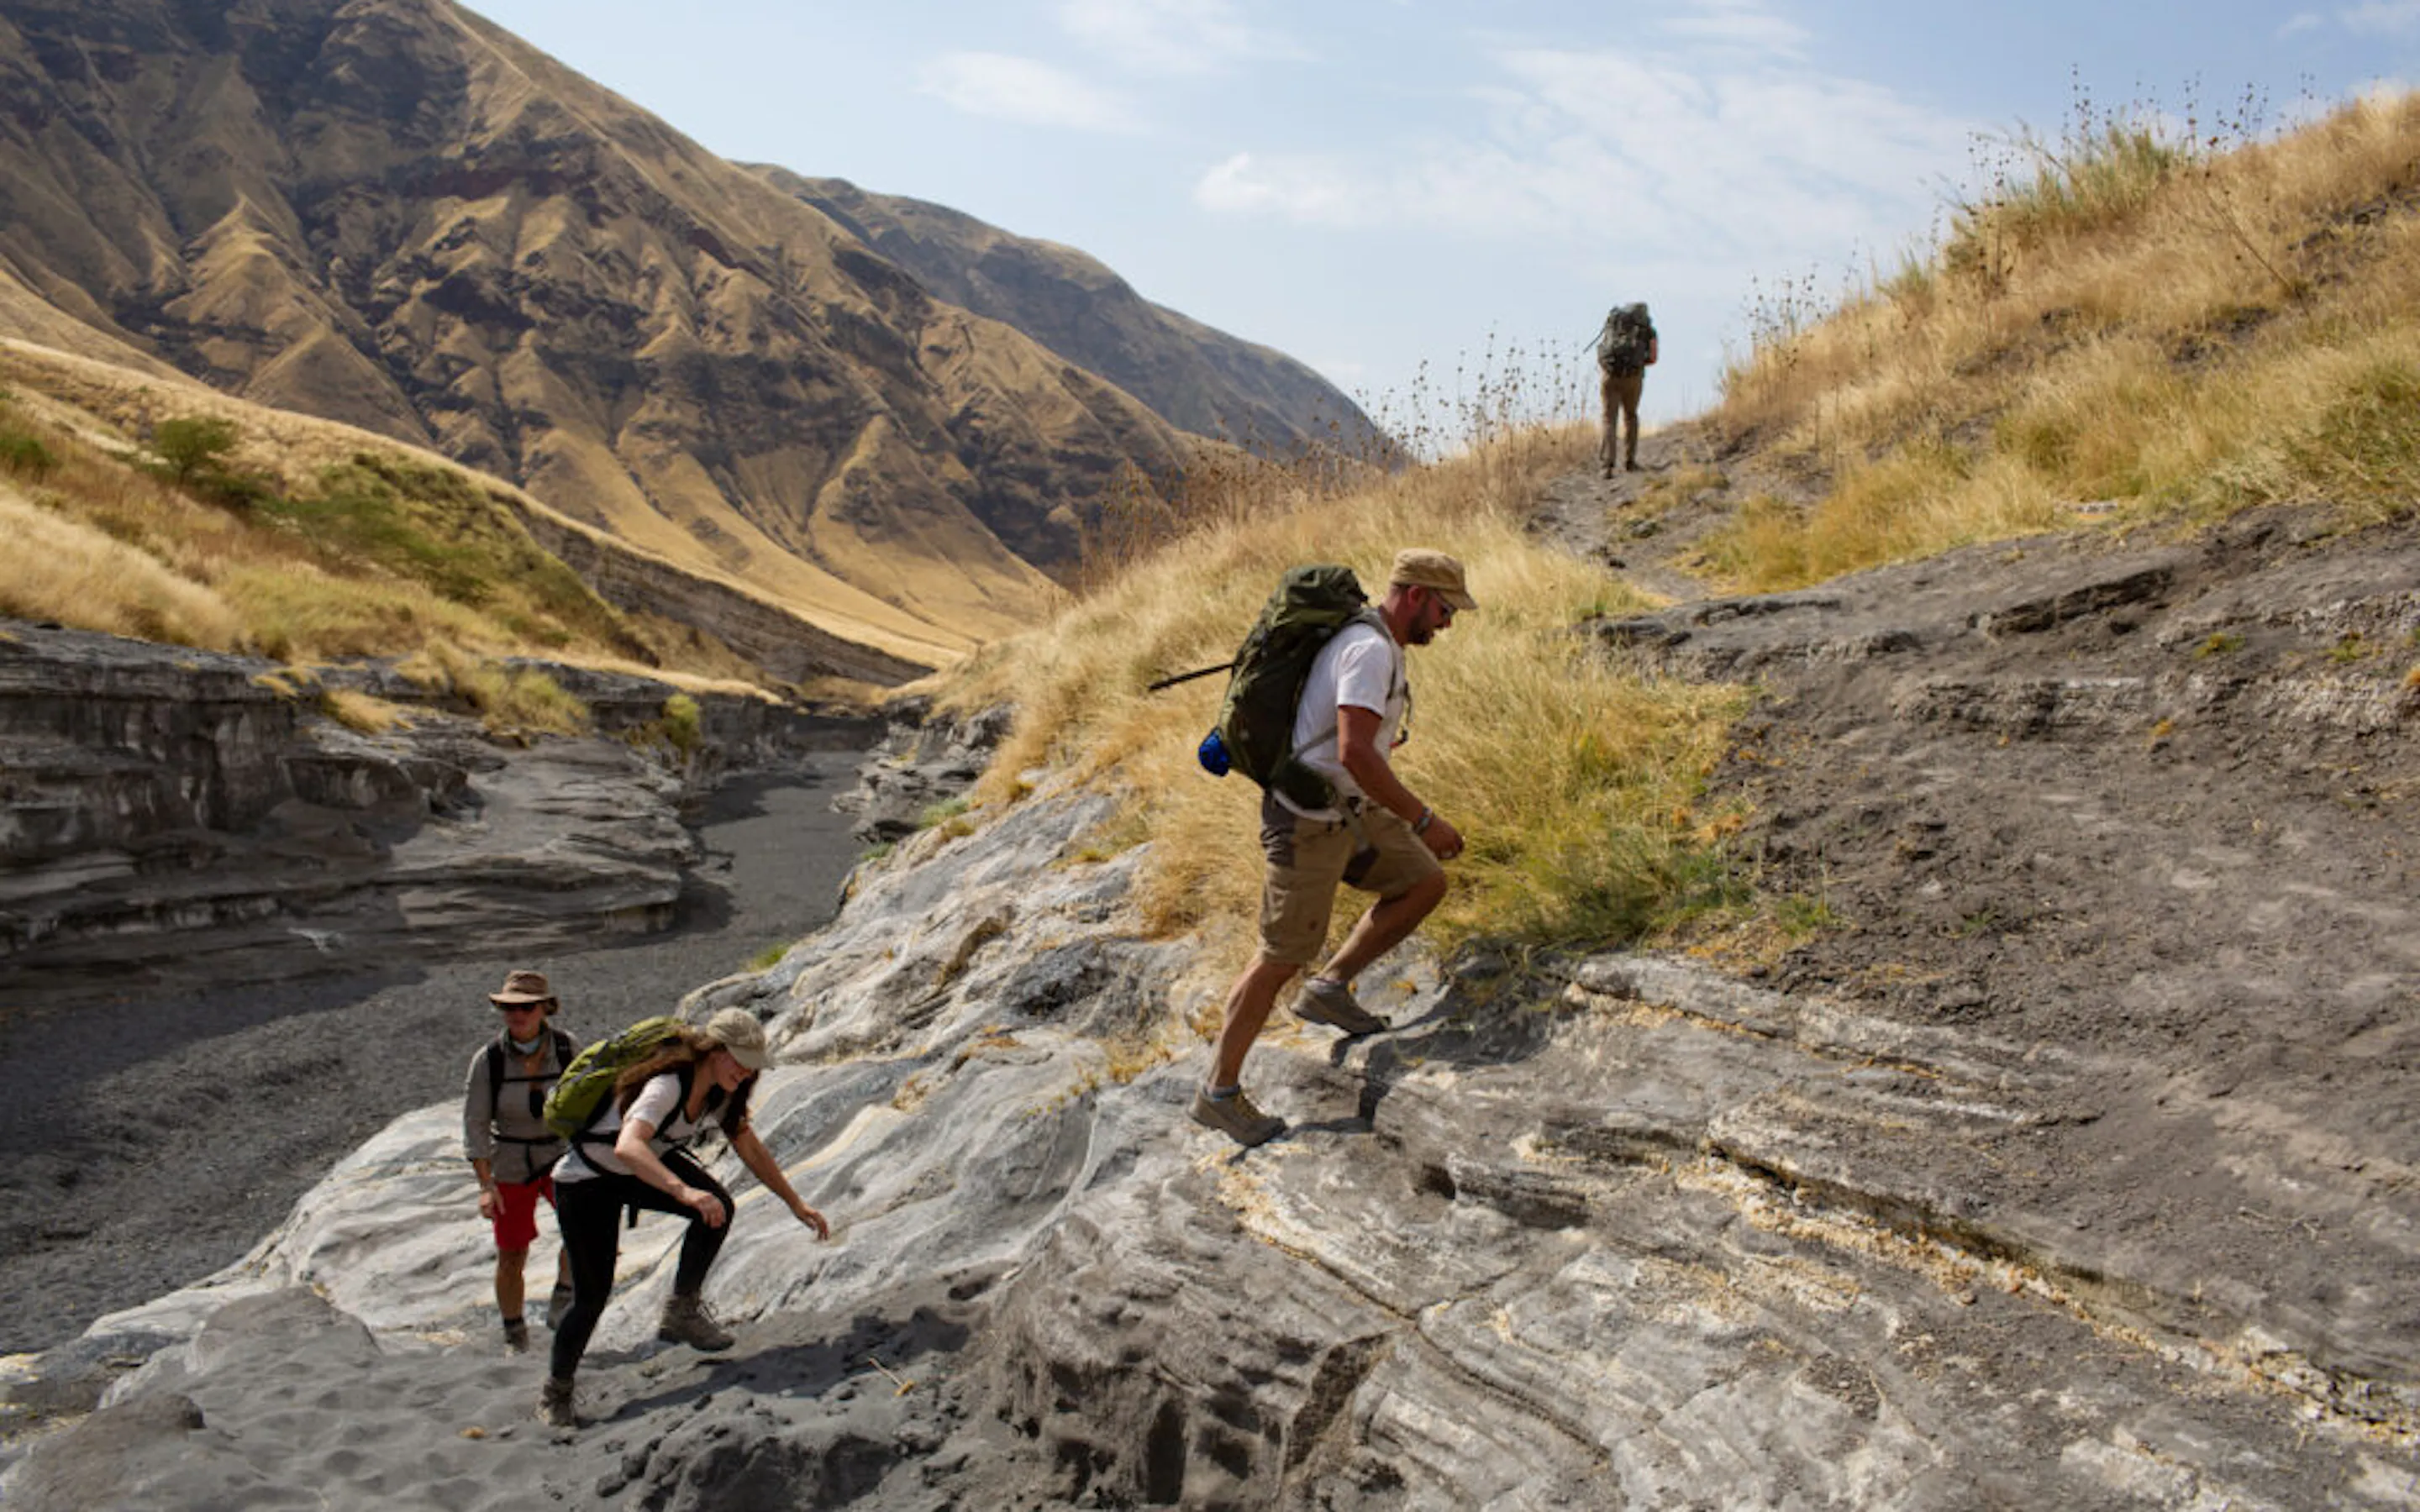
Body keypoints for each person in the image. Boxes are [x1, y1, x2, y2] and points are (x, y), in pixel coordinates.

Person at [1191, 549, 1473, 1147]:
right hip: (1308, 824)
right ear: (1416, 595)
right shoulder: (1370, 650)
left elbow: (1354, 748)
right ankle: (1218, 1092)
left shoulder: (1371, 641)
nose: (1448, 623)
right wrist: (1424, 819)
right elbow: (1355, 753)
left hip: (1348, 812)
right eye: (1445, 609)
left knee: (1422, 882)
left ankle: (1329, 989)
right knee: (1279, 958)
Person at [539, 1008, 829, 1429]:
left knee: (718, 1208)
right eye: (742, 1061)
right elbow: (627, 1146)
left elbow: (749, 1147)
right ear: (715, 1051)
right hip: (587, 1182)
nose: (747, 1073)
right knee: (592, 1296)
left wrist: (795, 1203)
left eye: (753, 1066)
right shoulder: (667, 1086)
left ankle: (682, 1311)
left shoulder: (720, 1092)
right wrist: (683, 1191)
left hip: (636, 1172)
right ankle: (556, 1391)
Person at [461, 969, 578, 1353]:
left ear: (545, 1009)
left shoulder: (567, 1048)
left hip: (561, 1155)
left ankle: (564, 1296)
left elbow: (588, 1101)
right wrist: (486, 1185)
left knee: (584, 1231)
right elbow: (476, 1123)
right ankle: (515, 1334)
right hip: (511, 1162)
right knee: (512, 1254)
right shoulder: (489, 1060)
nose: (517, 1015)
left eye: (527, 1007)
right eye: (510, 1008)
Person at [1598, 302, 1659, 475]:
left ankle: (1607, 465)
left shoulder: (1613, 325)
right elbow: (1653, 358)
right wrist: (1637, 364)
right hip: (1633, 378)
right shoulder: (1648, 331)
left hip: (1609, 377)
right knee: (1631, 416)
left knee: (1609, 419)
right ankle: (1630, 462)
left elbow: (1603, 350)